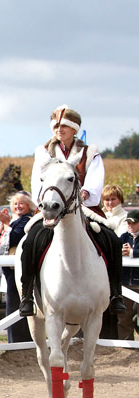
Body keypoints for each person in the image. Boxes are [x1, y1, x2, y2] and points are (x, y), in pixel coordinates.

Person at [22, 105, 126, 316]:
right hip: (51, 208)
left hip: (83, 209)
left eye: (64, 126)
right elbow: (37, 182)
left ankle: (115, 294)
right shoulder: (43, 153)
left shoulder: (90, 153)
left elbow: (96, 181)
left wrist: (86, 193)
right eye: (56, 126)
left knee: (112, 241)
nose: (59, 130)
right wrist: (43, 200)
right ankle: (27, 296)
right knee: (31, 241)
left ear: (74, 129)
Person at [0, 191, 36, 342]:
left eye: (21, 203)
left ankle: (19, 341)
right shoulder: (14, 221)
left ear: (28, 205)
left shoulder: (27, 220)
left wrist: (7, 224)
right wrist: (3, 224)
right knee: (11, 305)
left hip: (20, 269)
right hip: (9, 269)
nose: (18, 206)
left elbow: (15, 237)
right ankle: (13, 341)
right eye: (15, 204)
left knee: (16, 305)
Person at [118, 210, 139, 340]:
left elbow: (132, 253)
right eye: (128, 222)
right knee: (123, 316)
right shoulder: (123, 237)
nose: (130, 225)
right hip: (125, 283)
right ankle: (125, 345)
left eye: (134, 222)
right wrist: (120, 252)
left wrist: (132, 253)